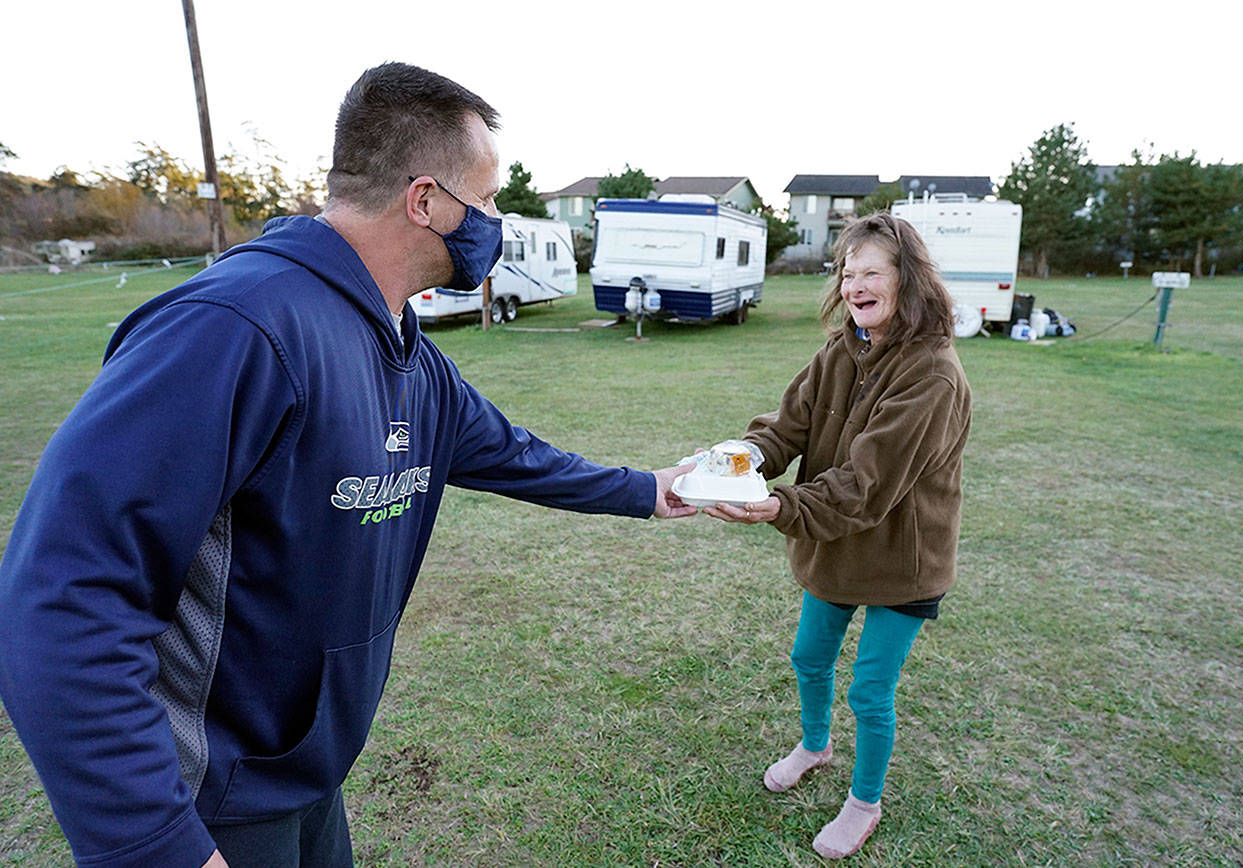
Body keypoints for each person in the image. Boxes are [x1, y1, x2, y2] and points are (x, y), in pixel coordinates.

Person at [0, 63, 695, 868]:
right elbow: (61, 599)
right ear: (427, 200)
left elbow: (512, 454)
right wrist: (153, 844)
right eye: (491, 198)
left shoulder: (401, 344)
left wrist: (651, 491)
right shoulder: (235, 328)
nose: (498, 219)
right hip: (208, 800)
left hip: (305, 774)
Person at [704, 213, 971, 859]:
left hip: (903, 562)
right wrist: (738, 460)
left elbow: (867, 484)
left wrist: (779, 505)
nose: (856, 285)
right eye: (848, 273)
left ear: (909, 279)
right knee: (808, 658)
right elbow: (786, 428)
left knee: (870, 690)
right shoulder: (839, 350)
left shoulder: (932, 374)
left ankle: (863, 803)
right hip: (836, 546)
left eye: (871, 271)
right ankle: (816, 746)